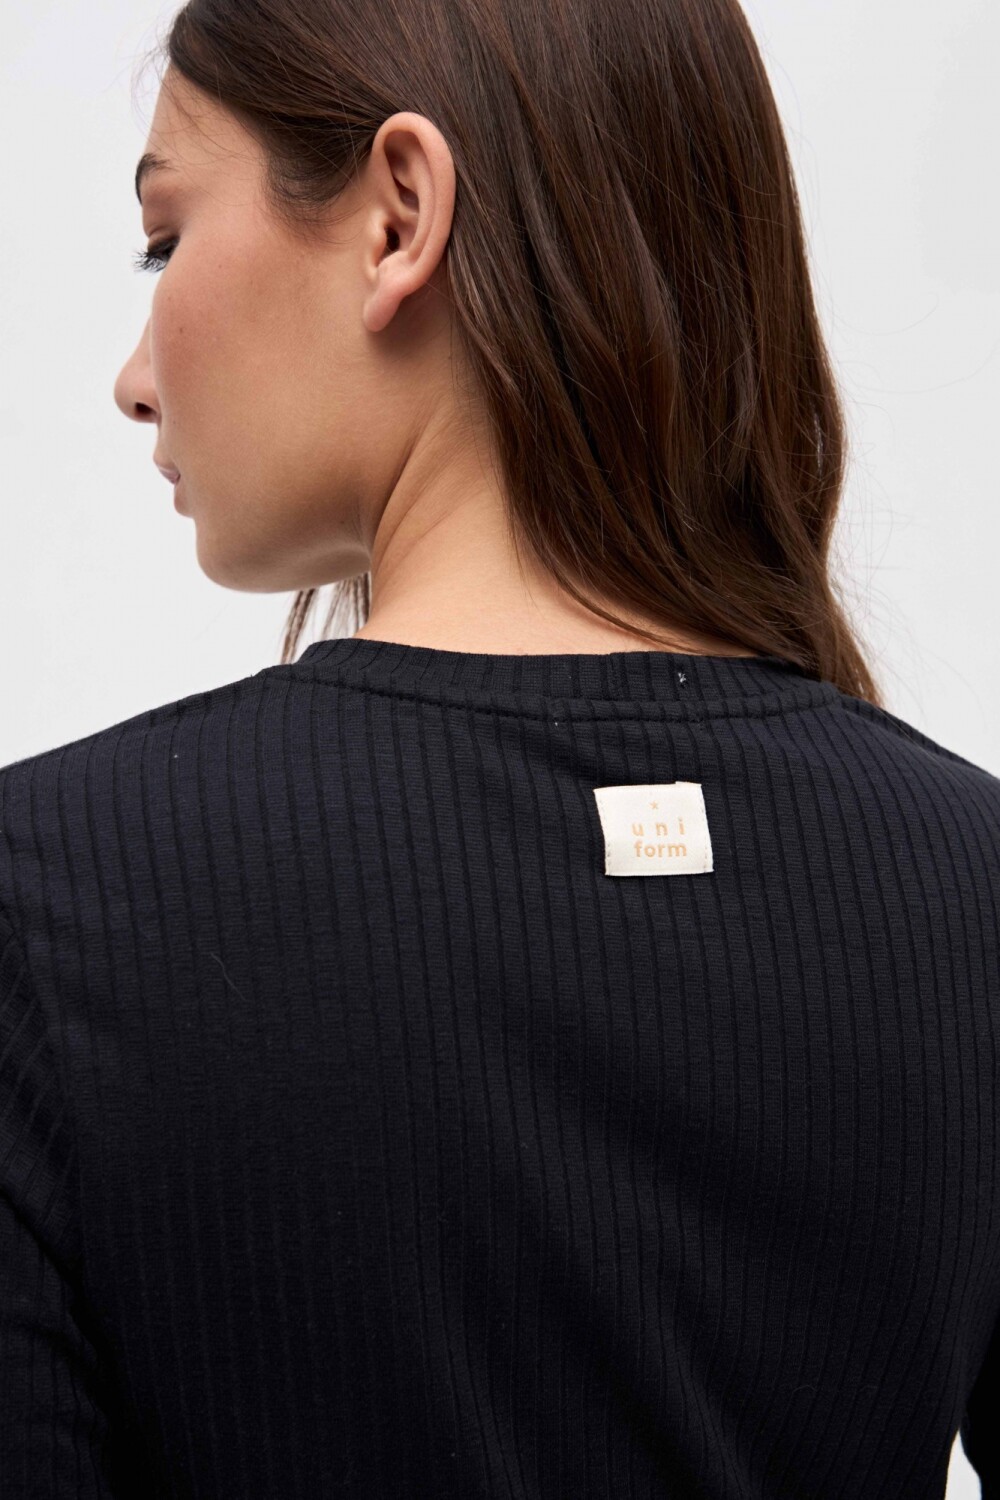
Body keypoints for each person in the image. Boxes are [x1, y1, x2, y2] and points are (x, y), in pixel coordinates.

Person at [1, 1, 997, 1496]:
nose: (135, 376)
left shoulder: (46, 900)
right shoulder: (973, 888)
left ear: (399, 216)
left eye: (166, 240)